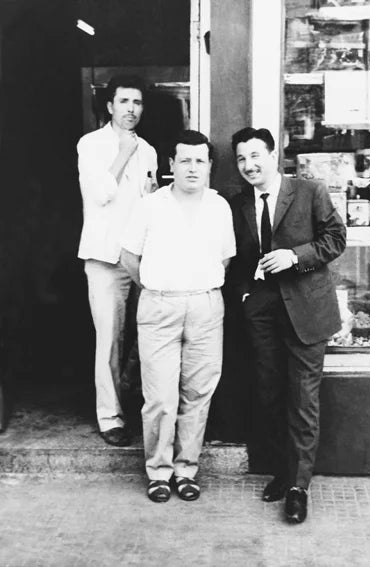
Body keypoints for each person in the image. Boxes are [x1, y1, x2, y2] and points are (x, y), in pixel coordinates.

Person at [229, 127, 346, 523]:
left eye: (255, 156)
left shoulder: (309, 192)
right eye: (241, 158)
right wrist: (245, 294)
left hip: (307, 311)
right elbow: (236, 258)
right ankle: (284, 470)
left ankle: (298, 488)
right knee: (271, 395)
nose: (249, 165)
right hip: (262, 314)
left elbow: (336, 238)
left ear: (273, 155)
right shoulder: (238, 203)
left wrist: (295, 257)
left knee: (302, 400)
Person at [120, 130, 236, 503]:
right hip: (159, 307)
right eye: (184, 160)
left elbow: (225, 259)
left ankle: (186, 470)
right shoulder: (150, 205)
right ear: (171, 164)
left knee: (198, 393)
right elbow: (129, 258)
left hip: (205, 307)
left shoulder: (219, 207)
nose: (192, 168)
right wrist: (158, 289)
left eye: (200, 161)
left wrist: (194, 288)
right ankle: (159, 471)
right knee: (159, 396)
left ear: (210, 166)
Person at [77, 75, 158, 446]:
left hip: (140, 259)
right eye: (124, 101)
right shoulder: (91, 144)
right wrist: (123, 153)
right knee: (109, 338)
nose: (131, 109)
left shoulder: (149, 150)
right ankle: (110, 417)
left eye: (137, 102)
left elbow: (149, 203)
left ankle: (131, 395)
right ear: (110, 106)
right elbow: (99, 194)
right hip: (105, 258)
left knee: (147, 333)